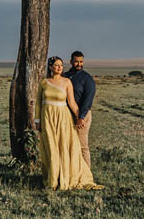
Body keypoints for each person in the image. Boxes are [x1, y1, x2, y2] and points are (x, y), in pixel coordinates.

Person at [33, 56, 103, 190]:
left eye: (61, 65)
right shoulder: (44, 82)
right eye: (56, 65)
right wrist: (37, 120)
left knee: (63, 147)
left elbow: (72, 103)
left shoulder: (66, 82)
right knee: (51, 148)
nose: (59, 67)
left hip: (63, 118)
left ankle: (64, 178)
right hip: (47, 118)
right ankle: (53, 179)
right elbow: (37, 103)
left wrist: (79, 117)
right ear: (50, 67)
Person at [64, 50, 96, 168]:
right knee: (68, 144)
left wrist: (81, 117)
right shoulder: (65, 76)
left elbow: (88, 100)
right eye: (76, 61)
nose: (79, 64)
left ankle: (87, 174)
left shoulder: (87, 78)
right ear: (71, 61)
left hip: (82, 114)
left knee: (83, 145)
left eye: (81, 62)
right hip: (67, 114)